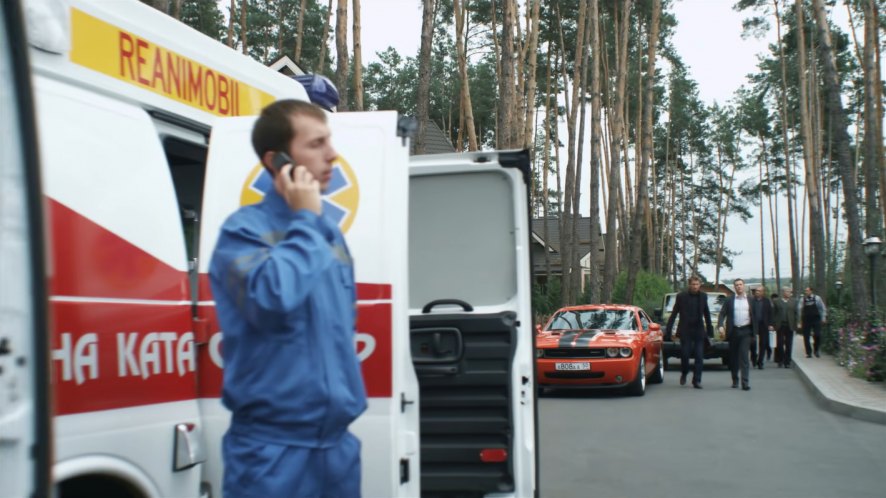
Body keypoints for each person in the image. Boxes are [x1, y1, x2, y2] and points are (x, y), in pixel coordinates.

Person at [209, 99, 367, 498]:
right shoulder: (242, 232)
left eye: (328, 141)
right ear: (277, 161)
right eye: (316, 144)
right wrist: (307, 220)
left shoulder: (329, 235)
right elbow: (271, 298)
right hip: (271, 452)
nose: (332, 154)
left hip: (337, 447)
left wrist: (310, 225)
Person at [664, 276, 714, 389]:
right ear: (689, 285)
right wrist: (668, 330)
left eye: (697, 284)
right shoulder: (681, 296)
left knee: (699, 356)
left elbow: (707, 314)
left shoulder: (703, 296)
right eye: (693, 284)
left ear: (700, 285)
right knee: (685, 355)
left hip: (699, 331)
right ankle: (684, 372)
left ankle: (697, 380)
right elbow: (674, 313)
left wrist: (710, 331)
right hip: (685, 330)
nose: (695, 286)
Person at [718, 278, 756, 391]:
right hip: (734, 331)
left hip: (746, 331)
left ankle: (745, 382)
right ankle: (735, 379)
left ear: (743, 286)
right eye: (736, 285)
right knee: (733, 357)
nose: (739, 286)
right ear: (734, 287)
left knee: (744, 356)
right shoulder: (730, 300)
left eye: (740, 284)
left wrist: (755, 332)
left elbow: (755, 316)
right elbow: (722, 313)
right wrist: (720, 325)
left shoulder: (750, 300)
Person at [797, 286, 828, 358]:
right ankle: (808, 352)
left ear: (811, 291)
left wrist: (823, 317)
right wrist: (799, 321)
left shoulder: (817, 298)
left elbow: (822, 308)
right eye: (805, 291)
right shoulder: (803, 299)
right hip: (806, 319)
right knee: (806, 336)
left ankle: (816, 349)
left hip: (816, 319)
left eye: (807, 291)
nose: (806, 292)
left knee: (817, 334)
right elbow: (799, 309)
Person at [771, 287, 798, 368]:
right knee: (780, 343)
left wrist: (797, 323)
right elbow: (773, 313)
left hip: (790, 325)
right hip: (780, 325)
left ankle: (787, 361)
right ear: (783, 292)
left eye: (790, 291)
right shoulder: (777, 301)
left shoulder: (794, 301)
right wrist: (773, 324)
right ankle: (781, 360)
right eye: (787, 291)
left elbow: (796, 313)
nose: (789, 293)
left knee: (789, 343)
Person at [751, 287, 774, 369]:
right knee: (753, 343)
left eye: (759, 291)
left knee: (763, 343)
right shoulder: (751, 301)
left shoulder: (767, 301)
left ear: (763, 292)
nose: (757, 292)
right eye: (756, 291)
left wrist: (771, 324)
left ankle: (760, 362)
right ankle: (753, 358)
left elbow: (771, 313)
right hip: (753, 324)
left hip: (764, 325)